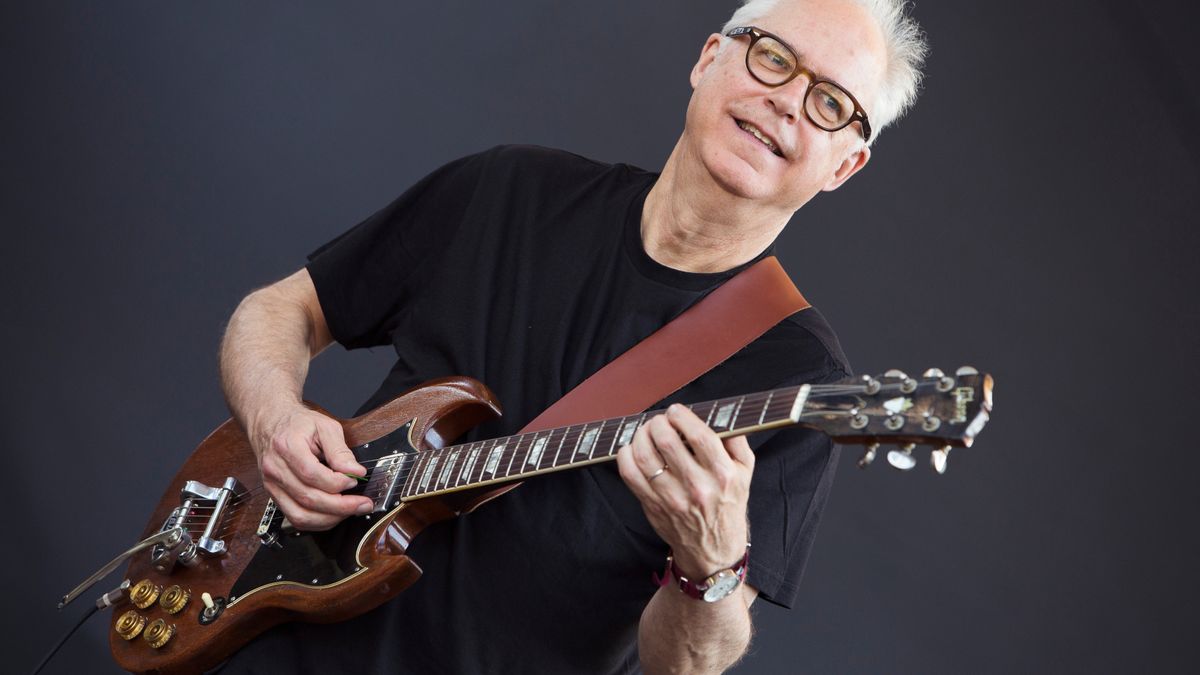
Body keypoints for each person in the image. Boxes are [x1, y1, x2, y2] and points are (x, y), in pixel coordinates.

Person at [216, 0, 926, 672]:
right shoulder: (509, 191)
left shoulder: (800, 376)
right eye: (772, 57)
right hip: (266, 644)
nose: (785, 100)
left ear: (844, 164)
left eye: (830, 103)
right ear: (710, 59)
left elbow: (681, 664)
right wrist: (275, 415)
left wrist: (709, 563)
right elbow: (279, 312)